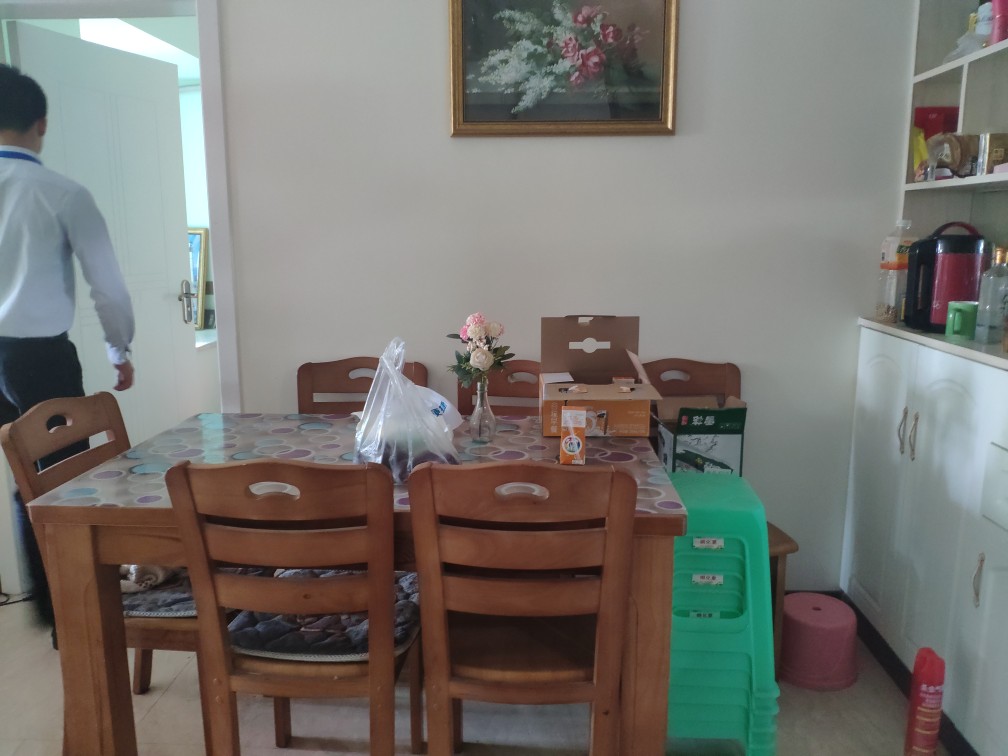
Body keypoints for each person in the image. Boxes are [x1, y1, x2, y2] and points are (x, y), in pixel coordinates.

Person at [0, 64, 135, 630]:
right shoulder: (61, 193)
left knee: (22, 474)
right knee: (58, 479)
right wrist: (118, 350)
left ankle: (46, 605)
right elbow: (108, 286)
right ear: (42, 123)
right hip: (37, 358)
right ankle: (67, 614)